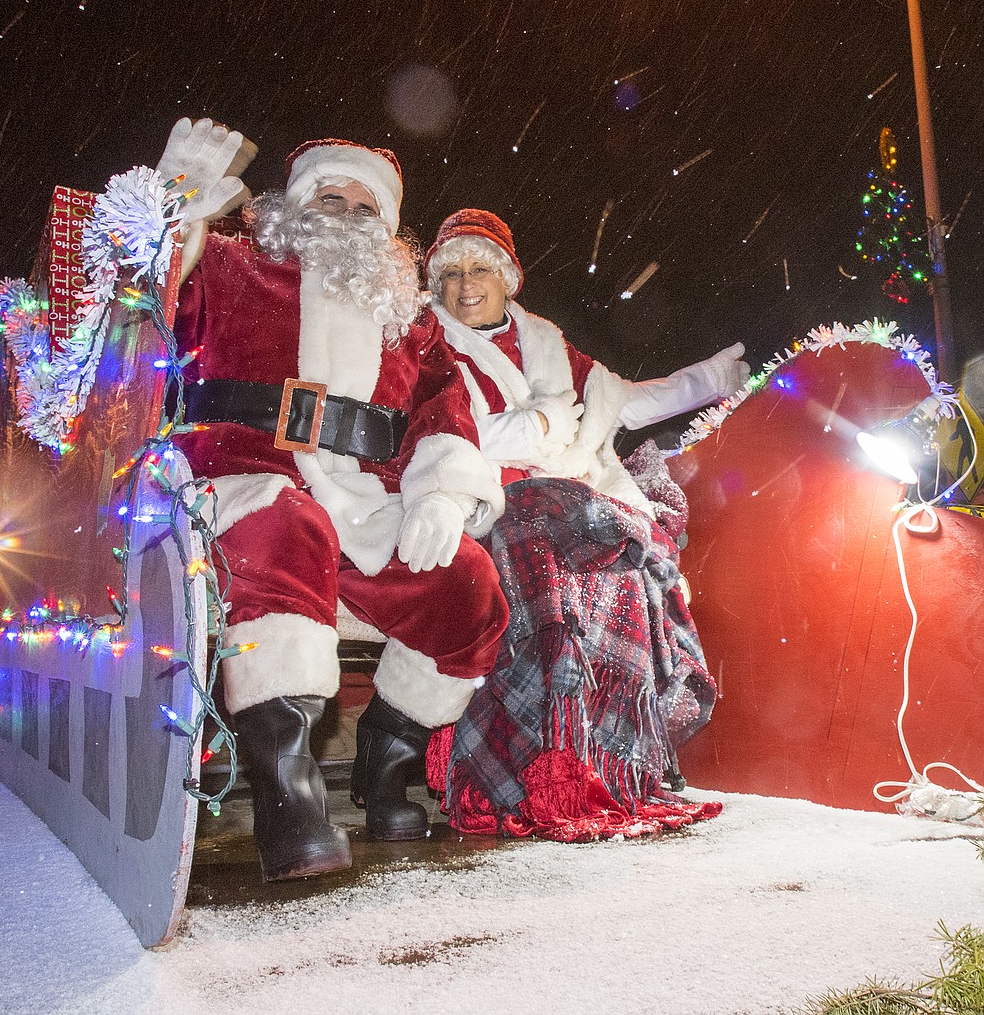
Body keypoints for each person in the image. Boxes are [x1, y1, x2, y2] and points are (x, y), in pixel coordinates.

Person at [154, 122, 509, 880]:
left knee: (468, 587)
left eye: (364, 206)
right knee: (288, 531)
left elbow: (445, 410)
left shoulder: (407, 318)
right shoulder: (229, 265)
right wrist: (174, 205)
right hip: (248, 477)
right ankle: (290, 801)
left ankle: (386, 760)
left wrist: (442, 494)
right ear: (293, 201)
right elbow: (137, 300)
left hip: (362, 506)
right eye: (329, 195)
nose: (346, 215)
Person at [422, 208, 748, 842]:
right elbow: (438, 432)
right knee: (550, 572)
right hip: (481, 502)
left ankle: (620, 762)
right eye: (453, 271)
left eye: (482, 268)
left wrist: (709, 381)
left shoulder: (545, 342)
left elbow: (620, 399)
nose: (467, 283)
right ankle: (538, 770)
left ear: (509, 278)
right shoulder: (423, 343)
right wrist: (539, 427)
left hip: (568, 501)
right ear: (435, 284)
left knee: (625, 572)